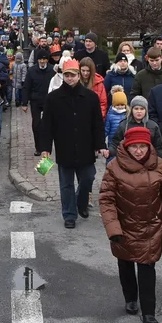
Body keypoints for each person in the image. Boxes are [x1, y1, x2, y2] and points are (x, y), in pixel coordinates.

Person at [100, 125, 162, 323]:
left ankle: (149, 313)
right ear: (127, 146)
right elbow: (106, 200)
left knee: (147, 268)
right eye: (135, 146)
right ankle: (130, 298)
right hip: (124, 227)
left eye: (143, 146)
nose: (139, 150)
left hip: (151, 227)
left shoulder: (159, 165)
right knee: (126, 264)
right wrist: (114, 229)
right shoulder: (114, 167)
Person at [38, 60, 106, 229]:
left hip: (85, 147)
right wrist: (45, 148)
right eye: (67, 75)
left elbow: (97, 123)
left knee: (88, 178)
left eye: (73, 75)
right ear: (63, 76)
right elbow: (47, 125)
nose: (70, 78)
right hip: (65, 147)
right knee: (66, 184)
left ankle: (81, 202)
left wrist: (100, 144)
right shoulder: (53, 98)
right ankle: (69, 214)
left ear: (79, 76)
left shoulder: (91, 97)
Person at [21, 47, 55, 157]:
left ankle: (46, 148)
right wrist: (24, 103)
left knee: (48, 125)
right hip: (35, 101)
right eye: (40, 59)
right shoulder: (31, 71)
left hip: (48, 101)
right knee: (36, 124)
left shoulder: (52, 70)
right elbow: (26, 87)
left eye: (44, 59)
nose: (42, 61)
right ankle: (38, 147)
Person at [112, 96, 162, 162]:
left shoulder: (153, 126)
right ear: (132, 110)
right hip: (127, 161)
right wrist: (110, 151)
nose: (139, 111)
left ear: (146, 110)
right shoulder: (123, 125)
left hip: (147, 161)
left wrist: (160, 160)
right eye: (136, 109)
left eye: (142, 109)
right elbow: (116, 143)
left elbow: (159, 146)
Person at [104, 86, 128, 158]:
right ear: (114, 104)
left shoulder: (128, 115)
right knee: (112, 160)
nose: (120, 107)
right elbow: (106, 130)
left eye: (122, 105)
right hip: (112, 143)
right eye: (118, 105)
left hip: (125, 143)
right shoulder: (110, 115)